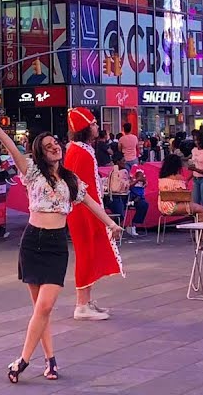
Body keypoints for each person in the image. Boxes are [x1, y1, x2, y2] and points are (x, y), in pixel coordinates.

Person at [0, 111, 122, 384]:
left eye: (55, 143)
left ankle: (22, 360)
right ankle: (50, 360)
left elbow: (90, 202)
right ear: (41, 154)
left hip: (57, 245)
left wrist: (111, 225)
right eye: (47, 147)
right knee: (40, 310)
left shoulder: (71, 180)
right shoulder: (32, 173)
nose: (55, 147)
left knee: (44, 307)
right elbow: (12, 148)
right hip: (33, 242)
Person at [63, 107, 124, 322]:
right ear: (85, 128)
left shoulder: (80, 149)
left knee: (89, 253)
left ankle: (86, 301)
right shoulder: (79, 151)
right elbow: (79, 188)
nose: (97, 126)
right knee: (86, 254)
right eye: (94, 123)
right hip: (83, 211)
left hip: (86, 209)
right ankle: (81, 304)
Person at [104, 152, 148, 237]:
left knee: (143, 204)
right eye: (123, 161)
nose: (125, 162)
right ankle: (113, 229)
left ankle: (132, 225)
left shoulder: (127, 171)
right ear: (118, 162)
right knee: (119, 212)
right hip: (116, 197)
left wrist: (139, 181)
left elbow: (129, 184)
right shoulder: (114, 173)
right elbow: (119, 187)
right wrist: (136, 180)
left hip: (128, 197)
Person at [158, 152, 203, 218]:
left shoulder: (162, 178)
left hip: (163, 207)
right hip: (173, 207)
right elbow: (183, 196)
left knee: (195, 207)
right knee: (201, 209)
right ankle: (202, 228)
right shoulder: (178, 178)